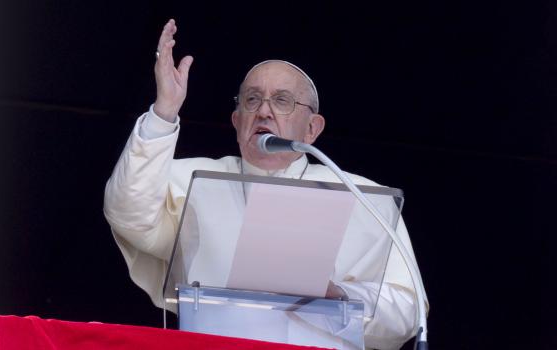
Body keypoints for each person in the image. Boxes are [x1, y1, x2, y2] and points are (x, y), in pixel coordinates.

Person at [104, 19, 427, 350]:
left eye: (283, 101)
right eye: (252, 100)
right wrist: (164, 112)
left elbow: (407, 311)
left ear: (312, 128)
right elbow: (128, 213)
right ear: (236, 120)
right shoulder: (191, 179)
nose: (264, 112)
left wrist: (340, 296)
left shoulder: (360, 194)